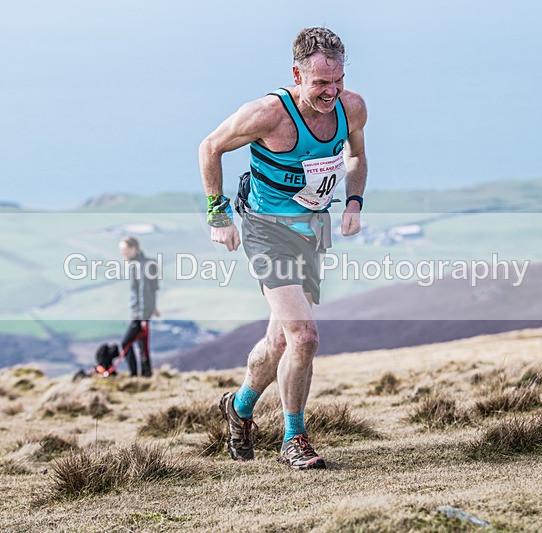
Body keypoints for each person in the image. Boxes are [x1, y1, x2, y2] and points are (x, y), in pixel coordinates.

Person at [199, 27, 367, 470]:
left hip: (312, 230)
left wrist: (353, 202)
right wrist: (218, 216)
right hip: (265, 231)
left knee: (278, 342)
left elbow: (355, 156)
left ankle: (238, 406)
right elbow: (210, 147)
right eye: (320, 84)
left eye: (338, 81)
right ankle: (294, 438)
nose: (331, 92)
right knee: (305, 337)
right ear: (297, 73)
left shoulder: (351, 108)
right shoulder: (268, 114)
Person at [118, 236, 160, 377]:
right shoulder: (143, 264)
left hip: (139, 314)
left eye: (125, 250)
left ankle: (134, 374)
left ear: (134, 248)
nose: (123, 253)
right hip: (143, 312)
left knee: (125, 343)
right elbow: (153, 289)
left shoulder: (139, 266)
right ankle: (146, 374)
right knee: (142, 344)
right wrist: (153, 307)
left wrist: (142, 317)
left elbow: (144, 291)